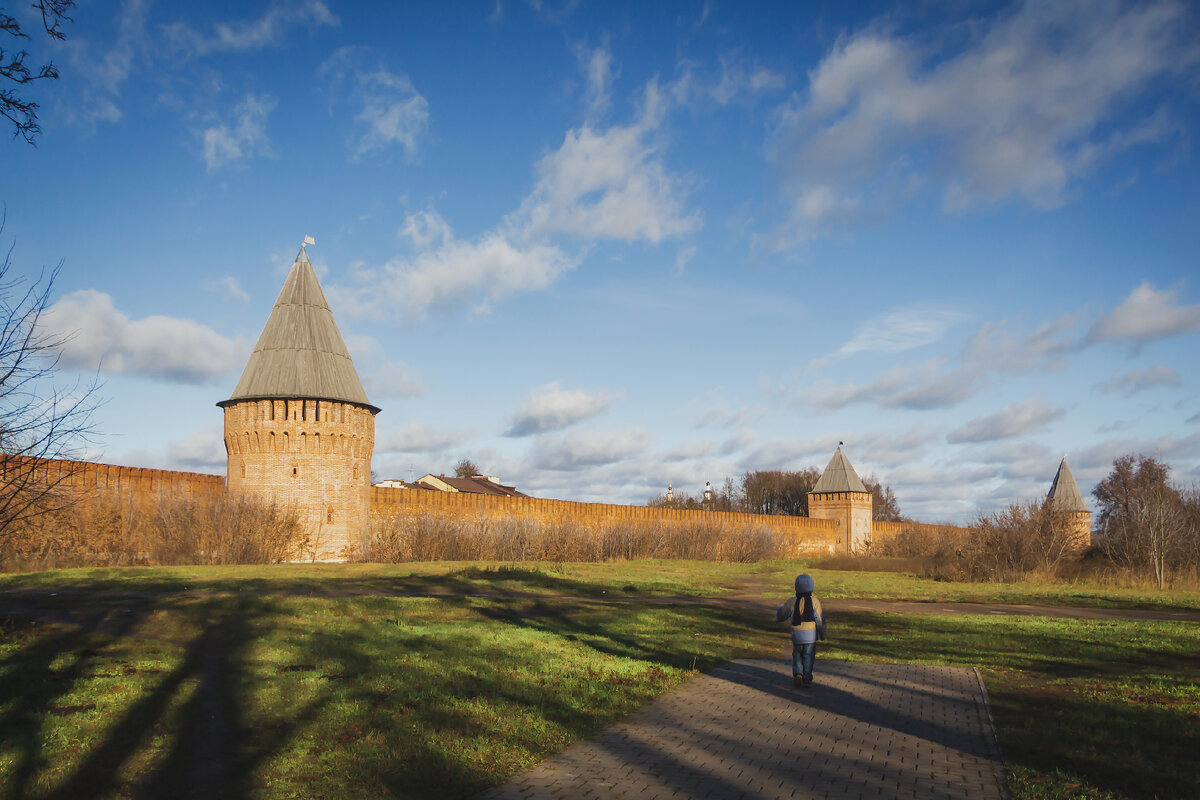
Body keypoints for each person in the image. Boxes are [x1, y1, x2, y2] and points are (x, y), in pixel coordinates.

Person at [775, 573, 826, 688]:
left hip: (797, 634)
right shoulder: (815, 602)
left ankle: (798, 673)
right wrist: (822, 634)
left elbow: (783, 614)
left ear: (796, 586)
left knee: (797, 654)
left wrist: (778, 615)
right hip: (811, 635)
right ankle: (807, 679)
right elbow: (820, 619)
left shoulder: (792, 601)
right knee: (808, 656)